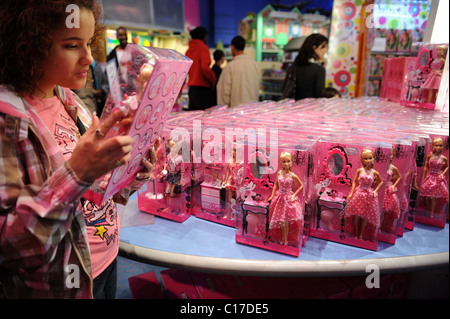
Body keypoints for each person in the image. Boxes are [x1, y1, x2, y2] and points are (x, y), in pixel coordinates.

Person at [0, 1, 154, 299]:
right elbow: (9, 246)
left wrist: (132, 169)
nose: (88, 58)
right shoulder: (9, 122)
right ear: (28, 45)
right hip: (57, 284)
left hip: (105, 260)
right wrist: (76, 174)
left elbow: (98, 192)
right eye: (72, 45)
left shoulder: (70, 102)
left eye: (88, 43)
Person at [344, 149, 383, 240]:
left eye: (370, 158)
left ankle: (361, 234)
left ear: (373, 159)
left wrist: (375, 190)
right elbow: (354, 181)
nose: (368, 160)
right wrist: (351, 192)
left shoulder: (375, 172)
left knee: (366, 215)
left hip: (369, 195)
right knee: (357, 214)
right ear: (362, 160)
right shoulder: (360, 170)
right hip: (359, 193)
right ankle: (356, 233)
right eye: (366, 158)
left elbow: (381, 182)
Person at [267, 152, 304, 245]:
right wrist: (272, 196)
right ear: (281, 162)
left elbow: (301, 185)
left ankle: (286, 240)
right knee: (281, 221)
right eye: (284, 162)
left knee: (286, 221)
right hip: (279, 198)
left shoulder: (293, 175)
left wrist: (293, 195)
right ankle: (282, 238)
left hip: (287, 199)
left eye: (288, 161)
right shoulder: (279, 173)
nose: (286, 163)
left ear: (291, 162)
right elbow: (275, 185)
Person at [217, 35, 261, 107]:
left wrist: (223, 110)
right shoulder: (254, 65)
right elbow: (258, 87)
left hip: (235, 113)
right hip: (252, 110)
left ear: (232, 47)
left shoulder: (230, 67)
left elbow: (224, 92)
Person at [283, 33, 328, 100]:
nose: (325, 50)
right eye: (323, 47)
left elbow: (285, 89)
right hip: (310, 108)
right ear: (314, 48)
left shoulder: (293, 67)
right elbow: (319, 96)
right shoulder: (319, 70)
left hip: (292, 107)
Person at [185, 27, 217, 110]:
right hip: (203, 90)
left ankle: (197, 124)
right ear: (203, 37)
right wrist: (213, 79)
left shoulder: (188, 51)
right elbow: (204, 67)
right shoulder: (203, 48)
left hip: (192, 90)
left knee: (196, 118)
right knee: (206, 118)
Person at [418, 137, 449, 217]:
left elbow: (447, 166)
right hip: (429, 177)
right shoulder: (430, 156)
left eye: (440, 146)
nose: (438, 147)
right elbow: (426, 166)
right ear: (433, 146)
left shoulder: (443, 158)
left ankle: (431, 213)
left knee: (433, 197)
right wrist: (423, 176)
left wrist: (442, 174)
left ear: (443, 146)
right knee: (427, 196)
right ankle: (427, 211)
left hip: (437, 179)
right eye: (436, 145)